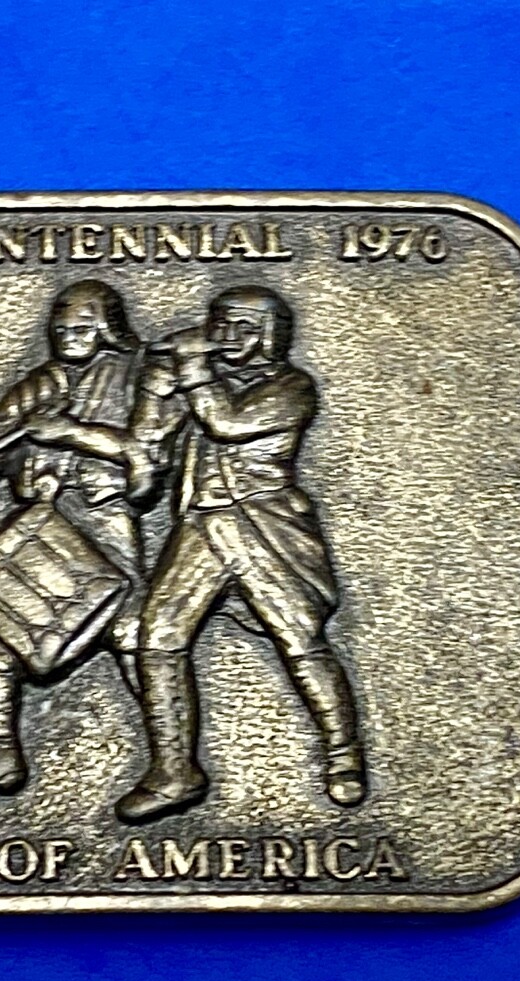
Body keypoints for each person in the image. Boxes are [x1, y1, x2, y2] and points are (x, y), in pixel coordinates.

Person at [116, 285, 367, 824]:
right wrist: (155, 389)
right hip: (202, 525)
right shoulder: (202, 380)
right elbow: (147, 441)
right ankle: (175, 772)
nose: (228, 337)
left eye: (244, 328)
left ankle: (343, 754)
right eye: (222, 325)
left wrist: (191, 369)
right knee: (156, 637)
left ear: (270, 336)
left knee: (299, 640)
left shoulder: (292, 387)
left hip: (265, 524)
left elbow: (227, 424)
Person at [0, 280, 154, 811]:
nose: (69, 337)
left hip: (101, 518)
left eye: (83, 328)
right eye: (61, 328)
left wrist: (69, 433)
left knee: (128, 632)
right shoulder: (41, 382)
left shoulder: (137, 376)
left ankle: (171, 753)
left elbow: (149, 453)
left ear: (108, 329)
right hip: (39, 520)